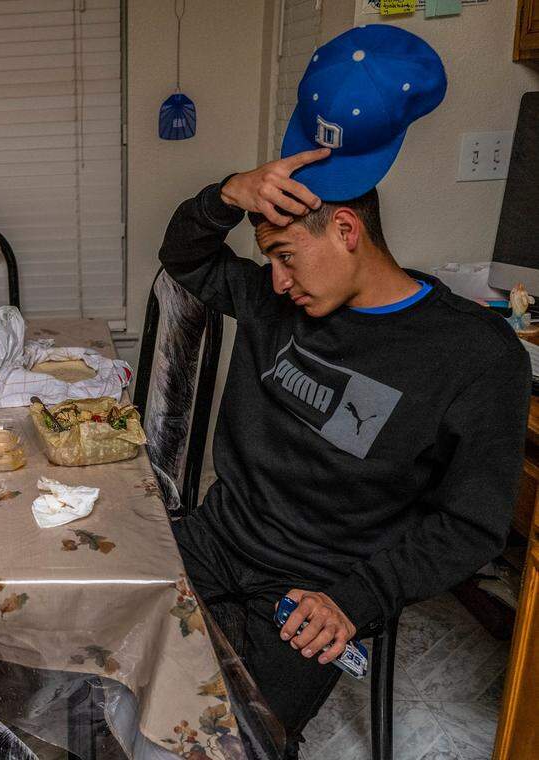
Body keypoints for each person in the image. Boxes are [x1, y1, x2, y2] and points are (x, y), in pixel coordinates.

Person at [158, 25, 530, 756]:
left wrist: (357, 601)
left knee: (223, 740)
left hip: (315, 589)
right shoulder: (278, 297)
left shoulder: (475, 356)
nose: (276, 280)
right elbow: (184, 257)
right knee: (105, 665)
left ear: (348, 230)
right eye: (268, 261)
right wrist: (229, 193)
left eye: (287, 257)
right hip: (213, 542)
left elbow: (472, 525)